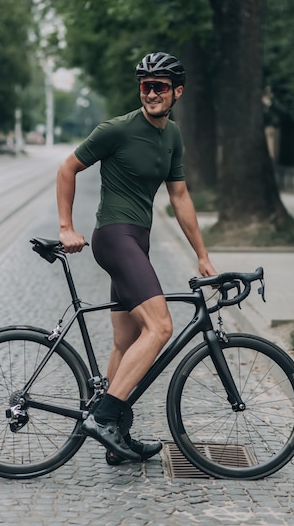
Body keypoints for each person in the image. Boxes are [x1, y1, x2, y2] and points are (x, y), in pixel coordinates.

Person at [56, 51, 217, 464]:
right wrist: (66, 227)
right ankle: (105, 416)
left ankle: (116, 439)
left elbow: (179, 196)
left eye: (159, 86)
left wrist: (201, 255)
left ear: (176, 92)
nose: (151, 93)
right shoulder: (118, 130)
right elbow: (67, 169)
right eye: (145, 86)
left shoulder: (173, 136)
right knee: (161, 327)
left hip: (137, 241)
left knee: (127, 341)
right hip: (114, 237)